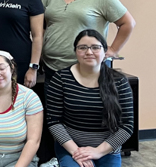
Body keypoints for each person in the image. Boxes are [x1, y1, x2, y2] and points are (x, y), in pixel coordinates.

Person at [41, 0, 136, 83]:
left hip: (88, 69)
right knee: (54, 104)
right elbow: (42, 26)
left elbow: (128, 23)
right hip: (52, 68)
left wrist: (113, 50)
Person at [45, 29, 134, 167]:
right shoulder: (61, 79)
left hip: (107, 150)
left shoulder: (119, 81)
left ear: (105, 51)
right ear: (75, 51)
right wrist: (77, 152)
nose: (89, 52)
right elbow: (54, 122)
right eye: (82, 48)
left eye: (95, 47)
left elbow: (127, 126)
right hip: (71, 148)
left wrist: (98, 151)